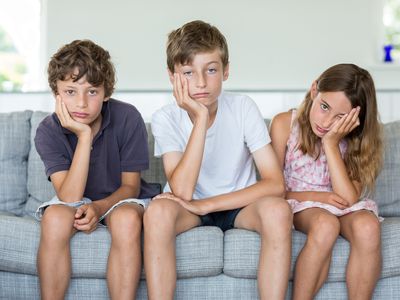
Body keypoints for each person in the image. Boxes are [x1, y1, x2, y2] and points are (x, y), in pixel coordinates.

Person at [144, 20, 293, 300]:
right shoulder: (165, 117)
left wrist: (209, 204)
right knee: (158, 212)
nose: (200, 82)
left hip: (240, 206)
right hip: (187, 206)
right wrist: (200, 118)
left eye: (211, 70)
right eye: (188, 72)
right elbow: (183, 192)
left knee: (278, 210)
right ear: (172, 76)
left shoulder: (243, 107)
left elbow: (275, 184)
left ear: (226, 70)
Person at [34, 39, 157, 300]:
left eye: (92, 92)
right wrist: (84, 136)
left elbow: (130, 186)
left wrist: (100, 208)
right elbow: (69, 198)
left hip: (120, 198)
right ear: (56, 92)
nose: (81, 103)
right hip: (75, 197)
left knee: (125, 220)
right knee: (54, 218)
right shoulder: (47, 130)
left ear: (106, 93)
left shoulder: (128, 117)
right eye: (70, 92)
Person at [269, 63, 383, 300]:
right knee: (325, 224)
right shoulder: (284, 125)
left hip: (341, 203)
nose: (327, 121)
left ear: (355, 119)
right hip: (301, 202)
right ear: (314, 91)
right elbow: (273, 190)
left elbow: (348, 198)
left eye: (340, 117)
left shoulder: (354, 140)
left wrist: (331, 144)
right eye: (324, 107)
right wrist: (318, 198)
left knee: (368, 227)